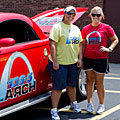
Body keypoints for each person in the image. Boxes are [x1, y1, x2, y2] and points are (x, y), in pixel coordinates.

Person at [81, 6, 119, 114]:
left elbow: (115, 39)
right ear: (90, 16)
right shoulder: (85, 29)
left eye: (98, 15)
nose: (96, 17)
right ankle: (89, 103)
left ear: (101, 16)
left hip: (101, 59)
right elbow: (83, 45)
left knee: (99, 83)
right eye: (94, 15)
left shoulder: (106, 27)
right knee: (89, 82)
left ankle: (101, 105)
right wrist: (81, 59)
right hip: (88, 58)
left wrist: (109, 48)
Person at [48, 6, 83, 120]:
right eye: (69, 13)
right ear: (64, 14)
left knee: (72, 86)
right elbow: (52, 44)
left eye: (73, 14)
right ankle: (54, 110)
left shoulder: (76, 28)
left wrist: (80, 59)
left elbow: (80, 44)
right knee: (58, 88)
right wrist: (55, 60)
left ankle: (74, 104)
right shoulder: (57, 27)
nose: (71, 15)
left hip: (72, 63)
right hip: (60, 63)